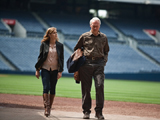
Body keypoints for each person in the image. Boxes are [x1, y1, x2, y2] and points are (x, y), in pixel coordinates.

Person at [74, 17, 109, 120]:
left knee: (100, 86)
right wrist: (80, 60)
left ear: (99, 26)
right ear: (90, 26)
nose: (95, 27)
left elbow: (106, 51)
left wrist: (104, 61)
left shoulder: (104, 37)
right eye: (93, 26)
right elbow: (76, 48)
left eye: (96, 26)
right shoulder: (84, 36)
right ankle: (86, 111)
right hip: (86, 64)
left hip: (99, 64)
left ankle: (99, 112)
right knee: (86, 89)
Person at [35, 27, 64, 117]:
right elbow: (40, 57)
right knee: (46, 87)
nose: (56, 34)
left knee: (52, 88)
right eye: (54, 33)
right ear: (49, 34)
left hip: (55, 69)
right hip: (45, 68)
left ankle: (49, 107)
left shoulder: (60, 45)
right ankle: (47, 108)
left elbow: (61, 59)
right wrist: (37, 69)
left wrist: (60, 71)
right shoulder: (44, 44)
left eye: (56, 32)